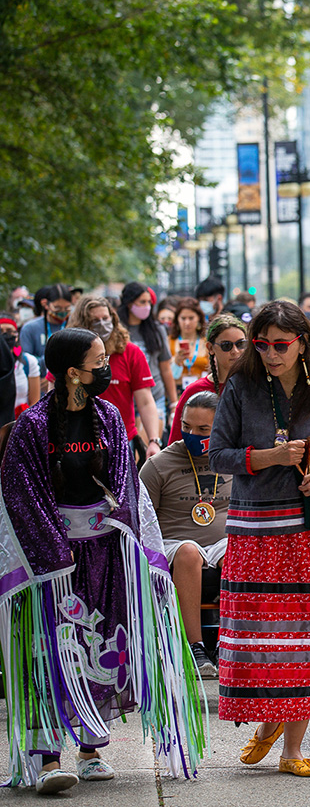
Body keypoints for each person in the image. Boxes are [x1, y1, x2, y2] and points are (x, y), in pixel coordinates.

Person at [0, 328, 203, 793]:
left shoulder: (109, 416)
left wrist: (116, 530)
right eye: (98, 362)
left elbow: (123, 483)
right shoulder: (32, 427)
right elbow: (20, 494)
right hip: (52, 564)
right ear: (73, 373)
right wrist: (56, 547)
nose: (106, 368)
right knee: (50, 648)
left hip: (103, 551)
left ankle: (90, 751)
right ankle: (49, 758)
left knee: (99, 644)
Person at [208, 300, 310, 777]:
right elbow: (218, 455)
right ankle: (265, 722)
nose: (271, 354)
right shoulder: (241, 386)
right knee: (259, 636)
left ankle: (291, 748)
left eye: (281, 345)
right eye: (262, 345)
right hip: (257, 529)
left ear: (303, 343)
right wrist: (269, 457)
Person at [139, 390, 231, 680]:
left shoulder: (231, 459)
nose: (193, 434)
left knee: (238, 549)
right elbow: (142, 521)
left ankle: (228, 642)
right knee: (189, 551)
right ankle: (195, 647)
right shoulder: (158, 465)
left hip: (220, 542)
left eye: (203, 429)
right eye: (187, 427)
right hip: (174, 544)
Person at [69, 296, 163, 463]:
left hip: (121, 440)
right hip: (79, 441)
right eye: (94, 320)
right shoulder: (69, 353)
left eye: (105, 318)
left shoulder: (130, 352)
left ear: (113, 319)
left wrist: (153, 441)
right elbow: (55, 393)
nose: (102, 324)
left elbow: (146, 401)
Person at [167, 313, 250, 444]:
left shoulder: (258, 385)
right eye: (226, 346)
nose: (235, 351)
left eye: (241, 344)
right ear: (210, 348)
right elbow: (175, 445)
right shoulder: (195, 391)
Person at [120, 282, 178, 430]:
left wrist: (173, 403)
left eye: (149, 302)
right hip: (126, 399)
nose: (146, 306)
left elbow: (165, 368)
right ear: (129, 303)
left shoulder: (157, 329)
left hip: (154, 396)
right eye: (142, 302)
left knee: (150, 447)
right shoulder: (117, 330)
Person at [20, 282, 74, 376]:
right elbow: (26, 362)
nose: (62, 312)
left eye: (67, 308)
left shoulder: (75, 326)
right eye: (57, 308)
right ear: (46, 304)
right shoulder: (30, 328)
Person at [168, 297, 210, 392]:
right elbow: (165, 372)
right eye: (183, 318)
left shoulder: (206, 342)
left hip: (202, 392)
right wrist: (176, 361)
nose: (187, 323)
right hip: (176, 392)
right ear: (177, 320)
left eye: (191, 318)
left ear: (199, 318)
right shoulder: (169, 341)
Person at [0, 316, 40, 414]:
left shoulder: (28, 362)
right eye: (0, 331)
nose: (5, 334)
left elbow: (35, 402)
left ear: (16, 334)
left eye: (9, 330)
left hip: (20, 422)